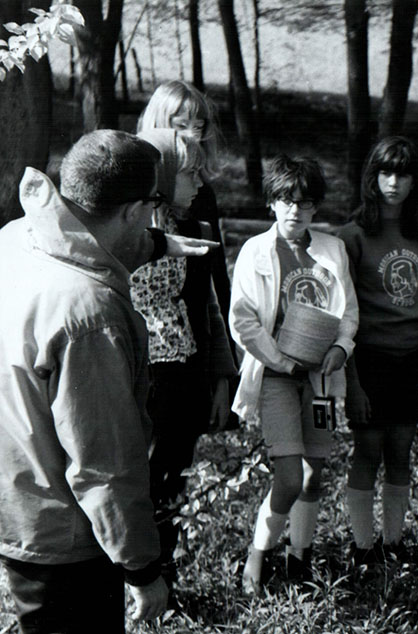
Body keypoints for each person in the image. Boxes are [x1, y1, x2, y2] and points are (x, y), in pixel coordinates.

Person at [0, 130, 216, 632]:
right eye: (152, 205)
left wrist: (157, 245)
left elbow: (82, 245)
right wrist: (142, 569)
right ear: (135, 209)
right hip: (67, 536)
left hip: (17, 499)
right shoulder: (90, 314)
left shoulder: (15, 238)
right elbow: (104, 465)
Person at [232, 155, 358, 592]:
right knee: (289, 477)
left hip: (320, 379)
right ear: (271, 202)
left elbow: (348, 312)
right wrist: (280, 361)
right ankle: (259, 554)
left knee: (313, 474)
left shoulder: (331, 249)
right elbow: (243, 320)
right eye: (286, 200)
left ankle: (300, 557)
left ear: (315, 207)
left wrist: (341, 347)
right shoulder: (255, 251)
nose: (295, 211)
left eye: (305, 203)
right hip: (276, 376)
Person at [130, 129, 238, 578]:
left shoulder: (196, 232)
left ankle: (164, 576)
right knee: (138, 480)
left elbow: (208, 310)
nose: (199, 182)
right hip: (139, 376)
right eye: (190, 172)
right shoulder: (123, 234)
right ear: (162, 175)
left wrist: (220, 380)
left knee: (174, 477)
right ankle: (134, 576)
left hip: (184, 374)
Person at [339, 137, 418, 563]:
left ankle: (394, 543)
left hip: (410, 360)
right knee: (368, 450)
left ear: (414, 182)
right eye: (385, 172)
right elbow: (341, 315)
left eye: (403, 174)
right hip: (367, 359)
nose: (394, 183)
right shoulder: (353, 237)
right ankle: (362, 547)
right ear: (372, 177)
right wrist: (352, 384)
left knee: (401, 451)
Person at [137, 80, 233, 331]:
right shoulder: (134, 196)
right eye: (181, 126)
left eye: (198, 127)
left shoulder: (201, 192)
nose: (192, 136)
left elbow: (215, 270)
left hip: (194, 321)